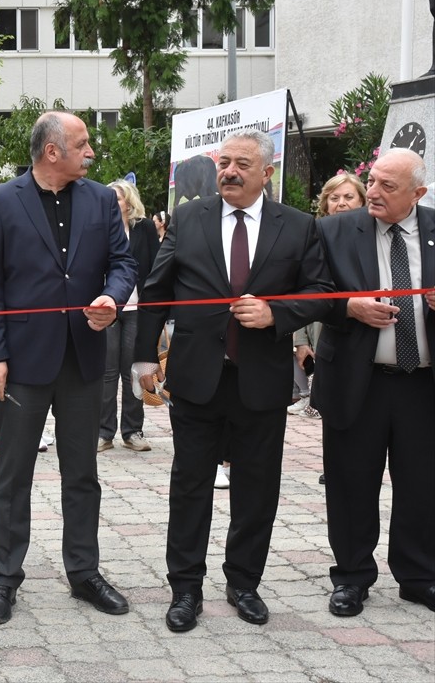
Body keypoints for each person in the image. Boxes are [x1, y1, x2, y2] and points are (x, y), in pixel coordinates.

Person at [135, 130, 331, 633]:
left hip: (261, 380)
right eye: (224, 162)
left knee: (257, 488)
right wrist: (142, 359)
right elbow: (156, 291)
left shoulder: (298, 226)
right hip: (197, 378)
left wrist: (276, 313)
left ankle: (244, 583)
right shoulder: (188, 218)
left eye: (242, 163)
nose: (229, 171)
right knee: (190, 486)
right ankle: (185, 588)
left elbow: (320, 291)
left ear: (267, 172)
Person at [0, 112, 137, 626]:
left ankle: (84, 573)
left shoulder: (101, 200)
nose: (91, 152)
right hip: (21, 361)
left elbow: (123, 263)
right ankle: (4, 577)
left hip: (83, 357)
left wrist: (111, 298)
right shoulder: (0, 202)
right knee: (13, 473)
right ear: (52, 151)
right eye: (82, 144)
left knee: (82, 474)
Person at [311, 148, 434, 616]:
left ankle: (418, 576)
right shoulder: (334, 230)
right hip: (356, 380)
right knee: (350, 482)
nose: (374, 192)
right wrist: (348, 307)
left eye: (388, 186)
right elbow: (308, 293)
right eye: (374, 181)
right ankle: (351, 577)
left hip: (423, 384)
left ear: (418, 193)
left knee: (423, 484)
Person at [290, 173, 366, 419]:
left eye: (348, 197)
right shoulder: (312, 237)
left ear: (362, 201)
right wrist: (301, 340)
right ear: (325, 203)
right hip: (322, 332)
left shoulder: (372, 238)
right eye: (334, 198)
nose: (341, 203)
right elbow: (299, 290)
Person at [98, 180, 160, 452]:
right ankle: (103, 432)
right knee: (107, 372)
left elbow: (157, 265)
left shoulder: (144, 228)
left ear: (129, 202)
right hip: (108, 309)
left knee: (133, 371)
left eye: (117, 198)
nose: (112, 203)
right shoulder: (98, 229)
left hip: (138, 309)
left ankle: (133, 431)